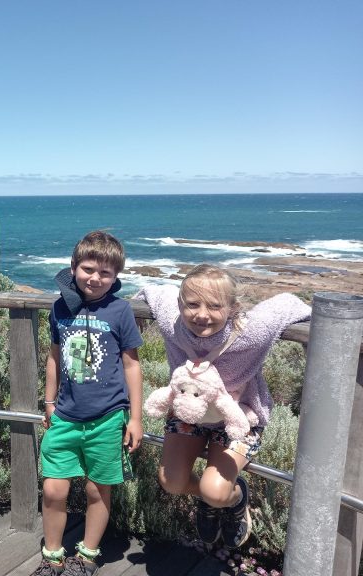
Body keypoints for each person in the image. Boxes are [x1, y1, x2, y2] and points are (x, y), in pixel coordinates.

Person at [135, 265, 310, 549]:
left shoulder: (251, 332)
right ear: (181, 305)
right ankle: (210, 497)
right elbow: (158, 293)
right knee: (172, 481)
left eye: (215, 306)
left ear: (232, 307)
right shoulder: (173, 322)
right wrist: (137, 303)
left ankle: (233, 497)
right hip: (190, 415)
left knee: (215, 491)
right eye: (192, 304)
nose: (201, 314)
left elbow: (287, 304)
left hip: (240, 418)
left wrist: (328, 328)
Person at [33, 231, 143, 576]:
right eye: (88, 269)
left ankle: (87, 556)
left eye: (105, 273)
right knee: (53, 488)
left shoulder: (120, 310)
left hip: (107, 419)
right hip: (64, 416)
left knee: (98, 490)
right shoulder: (59, 308)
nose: (95, 278)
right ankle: (52, 557)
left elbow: (132, 365)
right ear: (73, 267)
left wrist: (135, 418)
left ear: (115, 277)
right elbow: (53, 358)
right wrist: (49, 401)